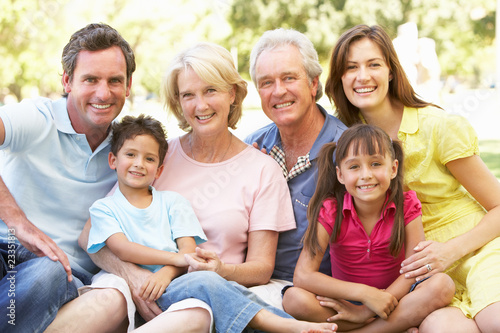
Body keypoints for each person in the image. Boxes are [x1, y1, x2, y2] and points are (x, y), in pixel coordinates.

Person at [79, 41, 337, 333]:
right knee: (108, 298)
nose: (200, 105)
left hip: (204, 292)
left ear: (232, 93)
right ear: (178, 101)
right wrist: (134, 277)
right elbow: (91, 234)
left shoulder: (263, 169)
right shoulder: (156, 157)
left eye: (210, 90)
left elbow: (262, 267)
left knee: (196, 313)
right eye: (188, 95)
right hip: (135, 280)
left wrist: (221, 270)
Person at [325, 24, 500, 333]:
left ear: (391, 72)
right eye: (351, 67)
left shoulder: (437, 126)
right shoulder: (347, 141)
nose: (362, 76)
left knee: (494, 322)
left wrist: (451, 251)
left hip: (476, 251)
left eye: (373, 64)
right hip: (421, 276)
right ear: (340, 77)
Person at [0, 23, 135, 332]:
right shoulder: (37, 118)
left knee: (51, 272)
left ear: (128, 86)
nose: (103, 93)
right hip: (5, 249)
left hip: (57, 273)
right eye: (90, 79)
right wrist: (18, 221)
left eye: (115, 81)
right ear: (67, 81)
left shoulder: (127, 150)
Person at [282, 124, 455, 332]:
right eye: (354, 167)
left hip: (394, 301)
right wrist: (365, 295)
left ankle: (364, 329)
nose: (366, 175)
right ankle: (387, 329)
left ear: (393, 168)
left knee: (442, 285)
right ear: (340, 175)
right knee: (294, 299)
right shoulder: (331, 209)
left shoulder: (406, 204)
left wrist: (367, 311)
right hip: (346, 304)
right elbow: (303, 276)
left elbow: (414, 270)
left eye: (375, 164)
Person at [244, 28, 347, 310]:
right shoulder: (251, 148)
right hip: (258, 287)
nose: (278, 91)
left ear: (314, 84)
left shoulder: (348, 149)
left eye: (289, 78)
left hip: (320, 297)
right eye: (266, 83)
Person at [86, 114, 208, 328]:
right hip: (120, 281)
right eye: (131, 154)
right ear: (113, 160)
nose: (139, 164)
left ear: (159, 170)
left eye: (149, 159)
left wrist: (165, 273)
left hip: (170, 281)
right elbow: (123, 249)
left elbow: (187, 252)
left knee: (205, 289)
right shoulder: (103, 208)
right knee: (105, 298)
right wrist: (176, 258)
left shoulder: (174, 202)